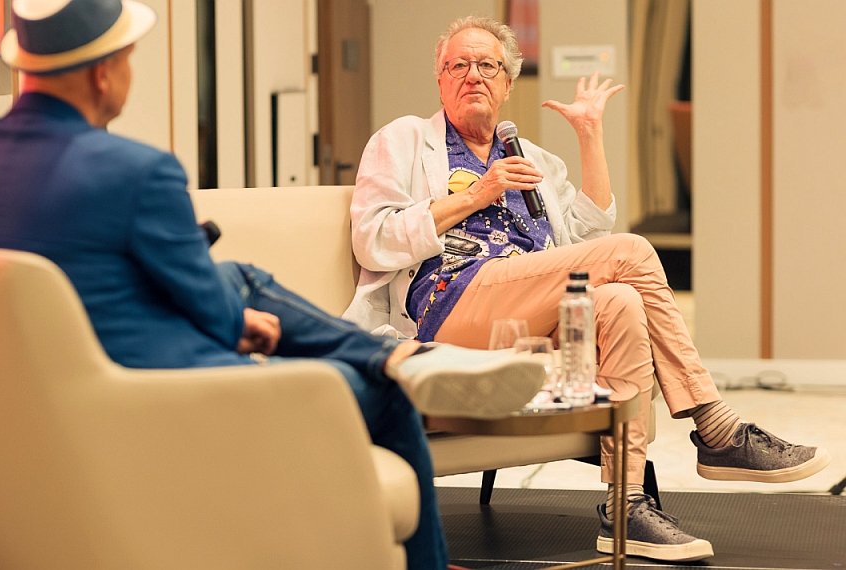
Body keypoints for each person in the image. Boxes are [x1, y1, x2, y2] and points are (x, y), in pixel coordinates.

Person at [0, 2, 547, 569]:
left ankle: (393, 354)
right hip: (168, 399)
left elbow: (72, 290)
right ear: (102, 73)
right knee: (380, 393)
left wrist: (225, 306)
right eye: (128, 59)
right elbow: (206, 310)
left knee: (235, 279)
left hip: (64, 405)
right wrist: (235, 322)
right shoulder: (133, 174)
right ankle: (397, 374)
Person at [345, 15, 831, 563]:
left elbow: (589, 237)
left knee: (620, 300)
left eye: (486, 65)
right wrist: (476, 196)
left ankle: (626, 504)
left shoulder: (529, 156)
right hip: (449, 304)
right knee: (633, 251)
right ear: (440, 79)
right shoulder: (403, 140)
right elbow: (373, 239)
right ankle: (714, 425)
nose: (472, 75)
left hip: (534, 314)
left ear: (507, 83)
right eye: (458, 65)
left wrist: (589, 134)